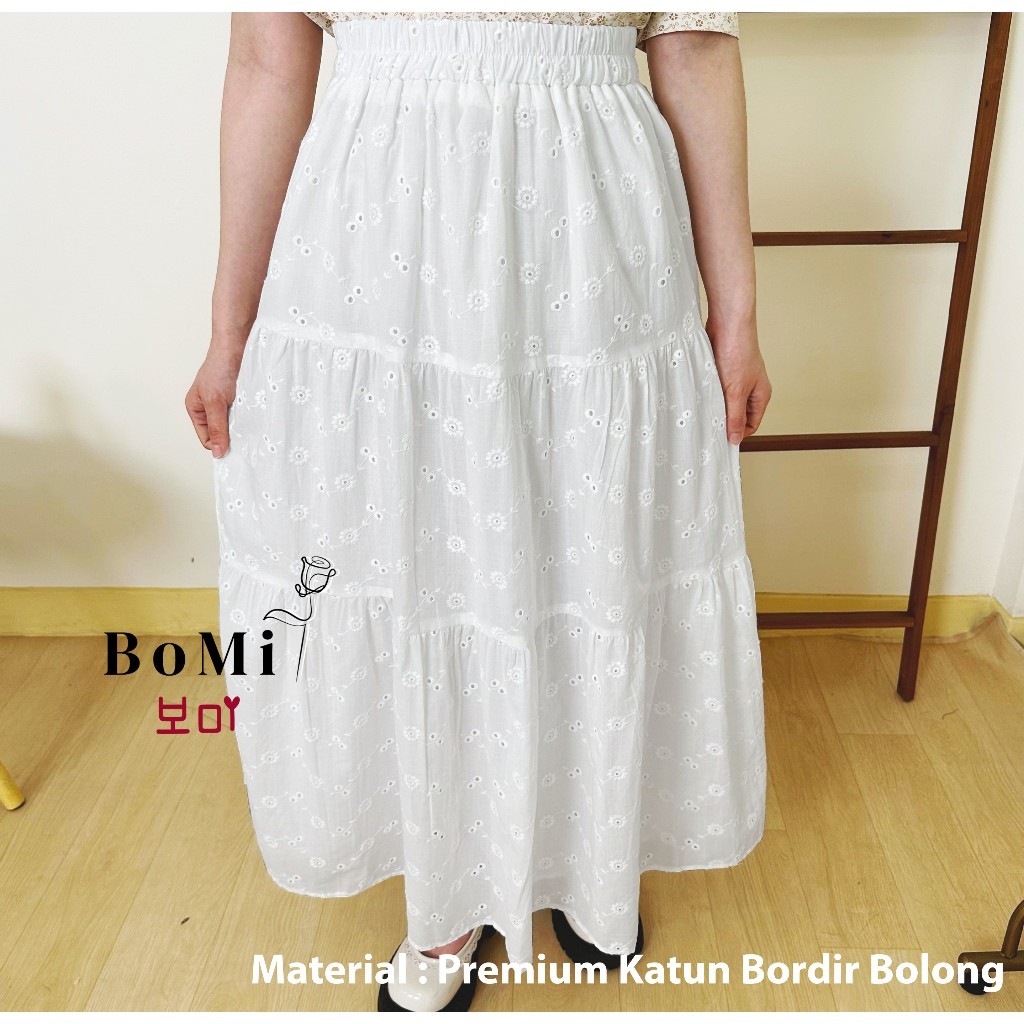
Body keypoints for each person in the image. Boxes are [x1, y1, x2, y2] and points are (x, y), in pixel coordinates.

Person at [186, 11, 772, 1013]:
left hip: (593, 230)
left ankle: (590, 860)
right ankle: (447, 896)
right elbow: (266, 64)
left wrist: (739, 316)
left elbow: (696, 49)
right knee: (417, 565)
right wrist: (228, 331)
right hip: (377, 237)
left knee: (592, 555)